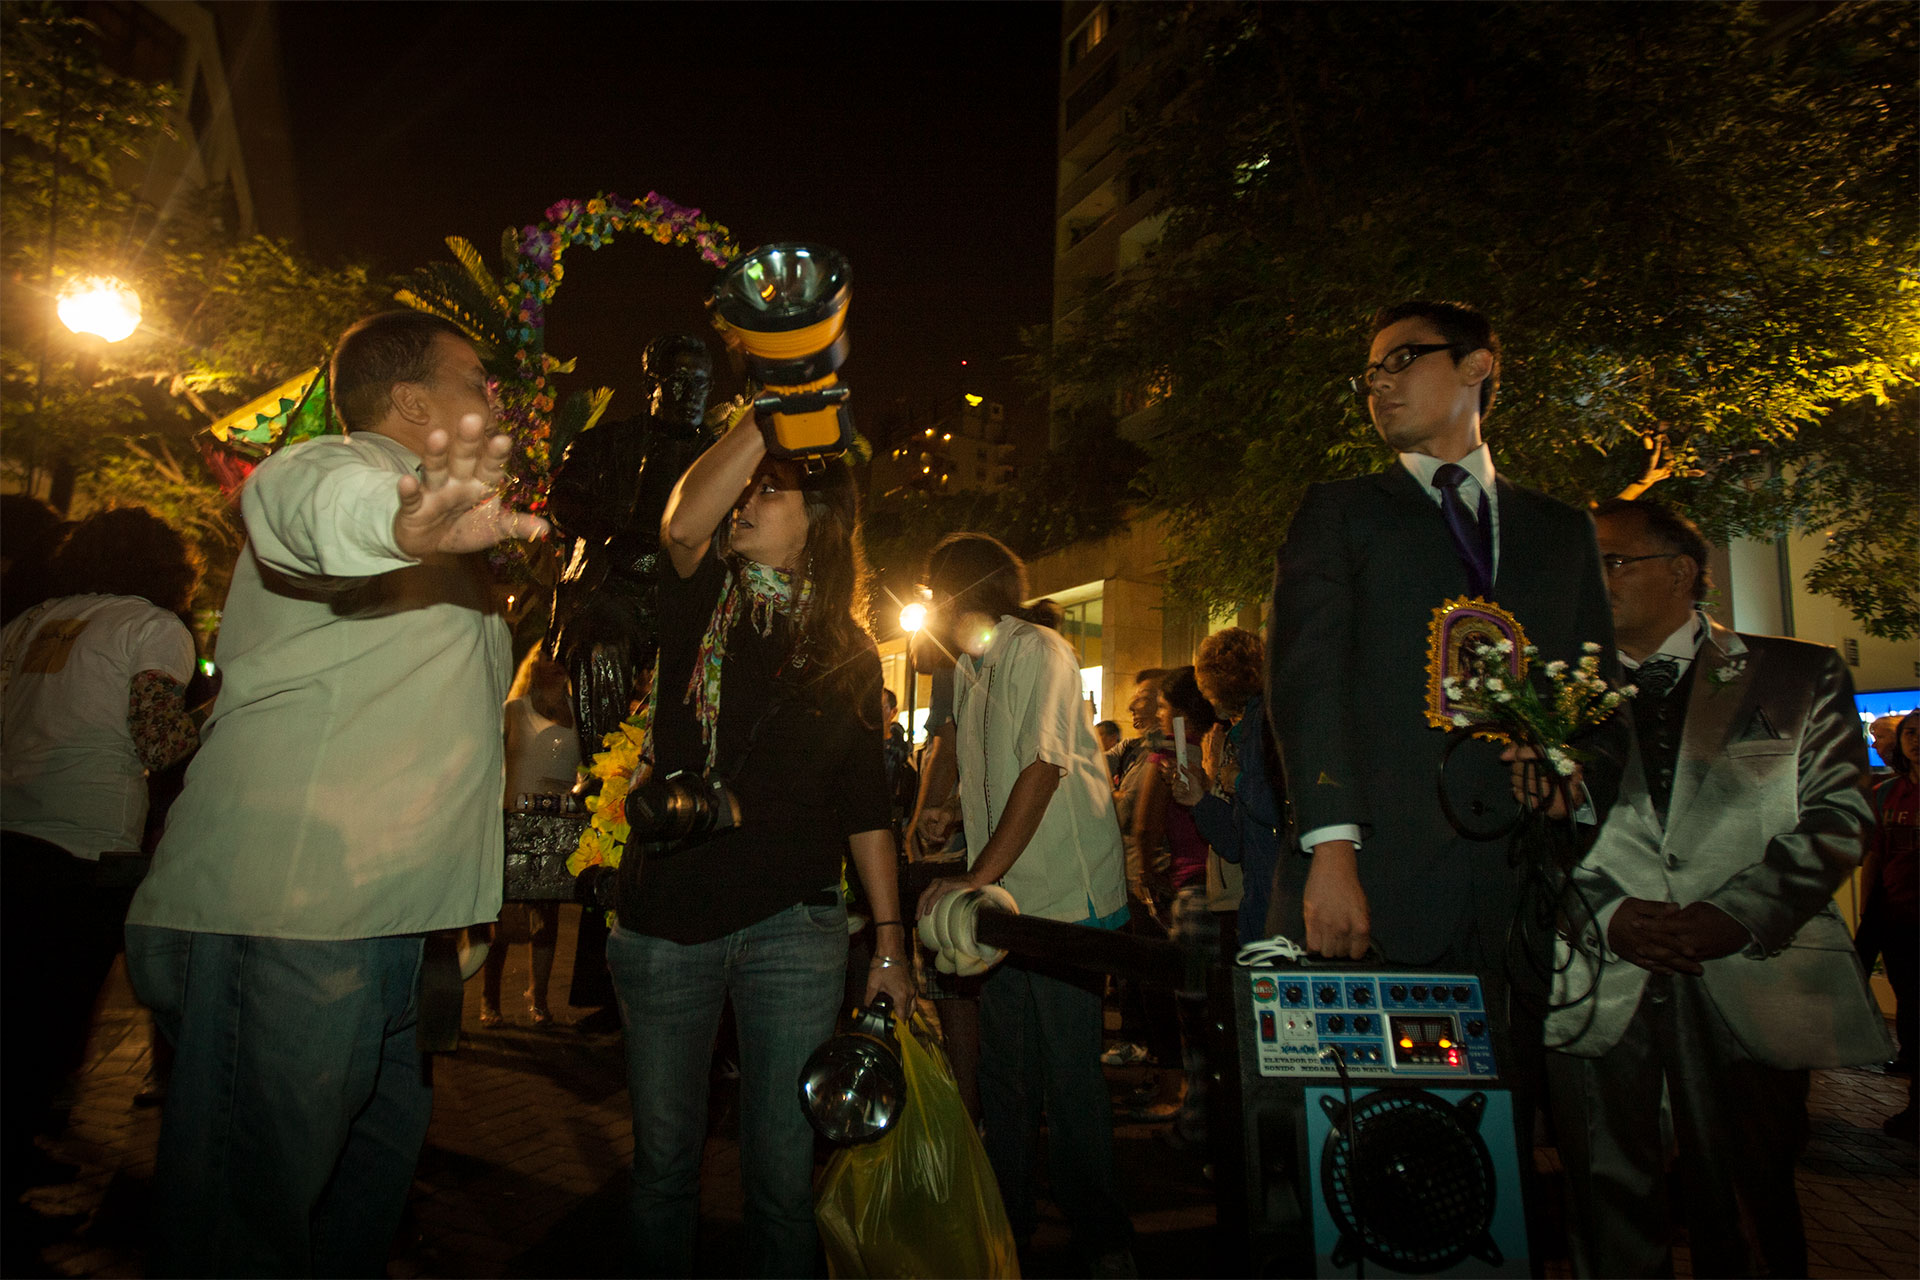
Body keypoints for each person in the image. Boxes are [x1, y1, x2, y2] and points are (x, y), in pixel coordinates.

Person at [122, 310, 549, 1276]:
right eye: (476, 380)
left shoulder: (442, 532)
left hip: (380, 921)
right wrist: (395, 521)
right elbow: (305, 506)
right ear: (408, 400)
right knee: (247, 1222)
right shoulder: (334, 472)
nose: (494, 400)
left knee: (355, 1205)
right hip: (293, 913)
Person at [1266, 300, 1628, 1219]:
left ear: (1477, 366)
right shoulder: (1343, 513)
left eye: (1402, 360)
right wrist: (1333, 852)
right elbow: (1309, 686)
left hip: (1519, 895)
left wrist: (1571, 775)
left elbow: (1596, 706)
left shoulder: (1558, 531)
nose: (1378, 384)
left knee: (1498, 1154)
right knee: (1378, 1157)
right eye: (1370, 374)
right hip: (1380, 879)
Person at [1545, 498, 1891, 1277]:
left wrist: (1736, 916)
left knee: (1750, 1202)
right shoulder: (1547, 693)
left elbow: (1839, 814)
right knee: (1608, 1210)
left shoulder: (1798, 674)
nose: (1592, 580)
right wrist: (1604, 913)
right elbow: (1522, 841)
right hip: (1598, 980)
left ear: (1683, 572)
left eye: (1611, 562)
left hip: (1746, 975)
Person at [612, 403, 913, 1277]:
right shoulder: (702, 591)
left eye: (769, 492)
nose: (745, 501)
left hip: (796, 925)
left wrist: (891, 942)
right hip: (670, 913)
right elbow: (682, 521)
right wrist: (772, 410)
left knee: (782, 1181)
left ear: (818, 524)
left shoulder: (850, 652)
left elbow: (866, 810)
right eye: (747, 488)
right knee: (665, 1167)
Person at [914, 532, 1135, 1276]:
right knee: (1007, 1074)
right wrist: (947, 818)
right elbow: (990, 775)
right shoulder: (972, 671)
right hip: (1005, 903)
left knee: (1070, 1079)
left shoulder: (1038, 650)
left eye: (931, 590)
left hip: (1065, 904)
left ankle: (1103, 1238)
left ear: (957, 594)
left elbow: (1041, 770)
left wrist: (973, 879)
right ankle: (1008, 1222)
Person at [1, 508, 201, 1256]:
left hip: (8, 830)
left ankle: (16, 1156)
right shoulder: (151, 627)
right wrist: (222, 719)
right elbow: (157, 738)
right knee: (45, 1030)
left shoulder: (32, 621)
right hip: (80, 846)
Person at [1131, 666, 1218, 1146]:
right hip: (1226, 893)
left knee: (1193, 1023)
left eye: (1163, 706)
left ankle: (1195, 1125)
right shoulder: (1221, 745)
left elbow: (1144, 826)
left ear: (1181, 711)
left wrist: (1148, 874)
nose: (1157, 714)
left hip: (1188, 888)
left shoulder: (1170, 756)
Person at [480, 648, 580, 1028]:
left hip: (558, 823)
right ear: (534, 667)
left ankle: (538, 999)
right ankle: (490, 999)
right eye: (547, 661)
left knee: (547, 916)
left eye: (561, 662)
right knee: (504, 917)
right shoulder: (514, 712)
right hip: (516, 823)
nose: (555, 668)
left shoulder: (578, 713)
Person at [1172, 625, 1287, 945]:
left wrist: (1234, 779)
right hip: (1259, 898)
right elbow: (1236, 843)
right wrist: (1200, 799)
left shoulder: (1263, 730)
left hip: (1276, 903)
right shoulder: (1242, 736)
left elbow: (1275, 807)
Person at [1856, 707, 1917, 1139]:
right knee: (1911, 1004)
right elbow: (1875, 853)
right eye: (1911, 732)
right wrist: (1868, 908)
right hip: (1899, 915)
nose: (1915, 739)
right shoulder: (1888, 793)